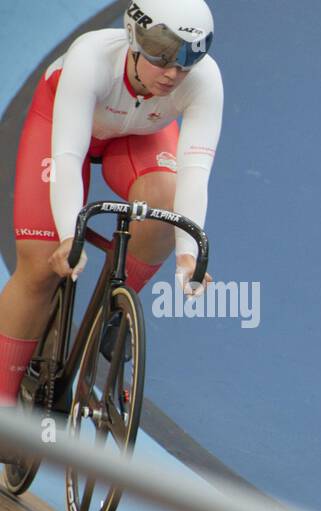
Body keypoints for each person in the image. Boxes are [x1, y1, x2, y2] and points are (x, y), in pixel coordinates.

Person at [0, 0, 222, 445]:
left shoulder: (205, 81)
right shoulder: (90, 57)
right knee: (43, 264)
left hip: (138, 139)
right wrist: (68, 237)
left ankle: (112, 312)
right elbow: (66, 157)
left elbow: (194, 175)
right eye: (163, 55)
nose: (174, 74)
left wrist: (187, 255)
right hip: (63, 128)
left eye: (189, 59)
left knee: (163, 202)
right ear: (136, 37)